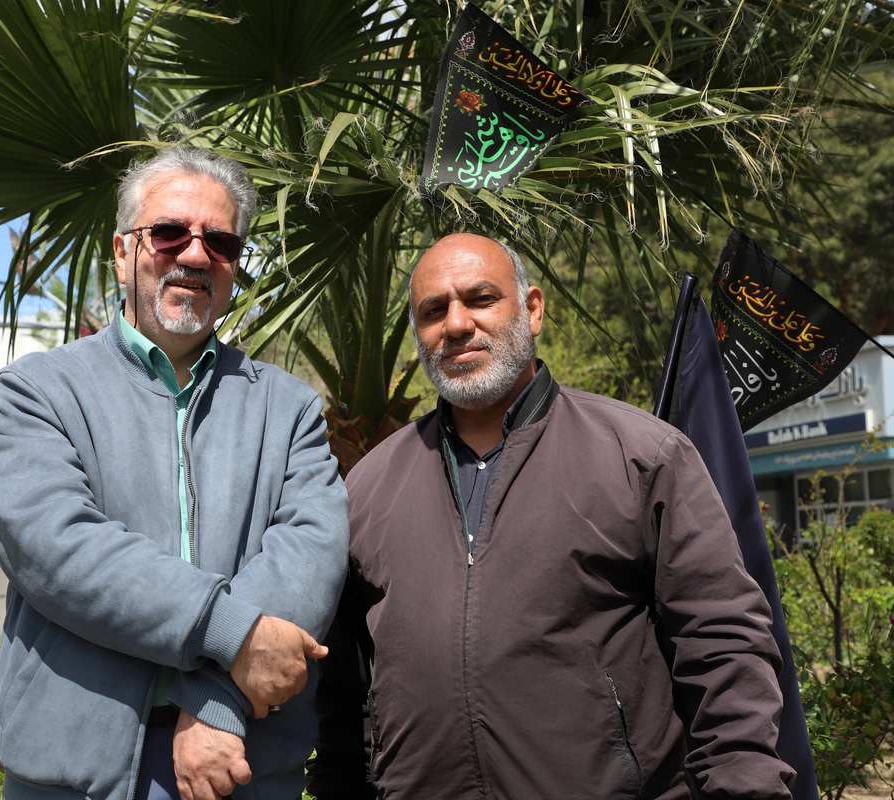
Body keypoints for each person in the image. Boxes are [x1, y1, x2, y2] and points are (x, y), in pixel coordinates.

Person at [308, 233, 796, 800]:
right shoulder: (369, 486)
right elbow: (344, 690)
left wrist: (743, 785)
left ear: (533, 309)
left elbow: (721, 639)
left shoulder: (642, 456)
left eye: (480, 299)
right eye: (433, 311)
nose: (457, 324)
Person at [0, 147, 349, 800]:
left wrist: (216, 702)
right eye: (170, 232)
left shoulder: (288, 408)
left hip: (240, 760)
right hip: (73, 772)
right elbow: (57, 547)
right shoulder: (36, 391)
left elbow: (310, 554)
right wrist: (230, 631)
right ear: (123, 251)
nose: (196, 254)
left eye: (220, 241)